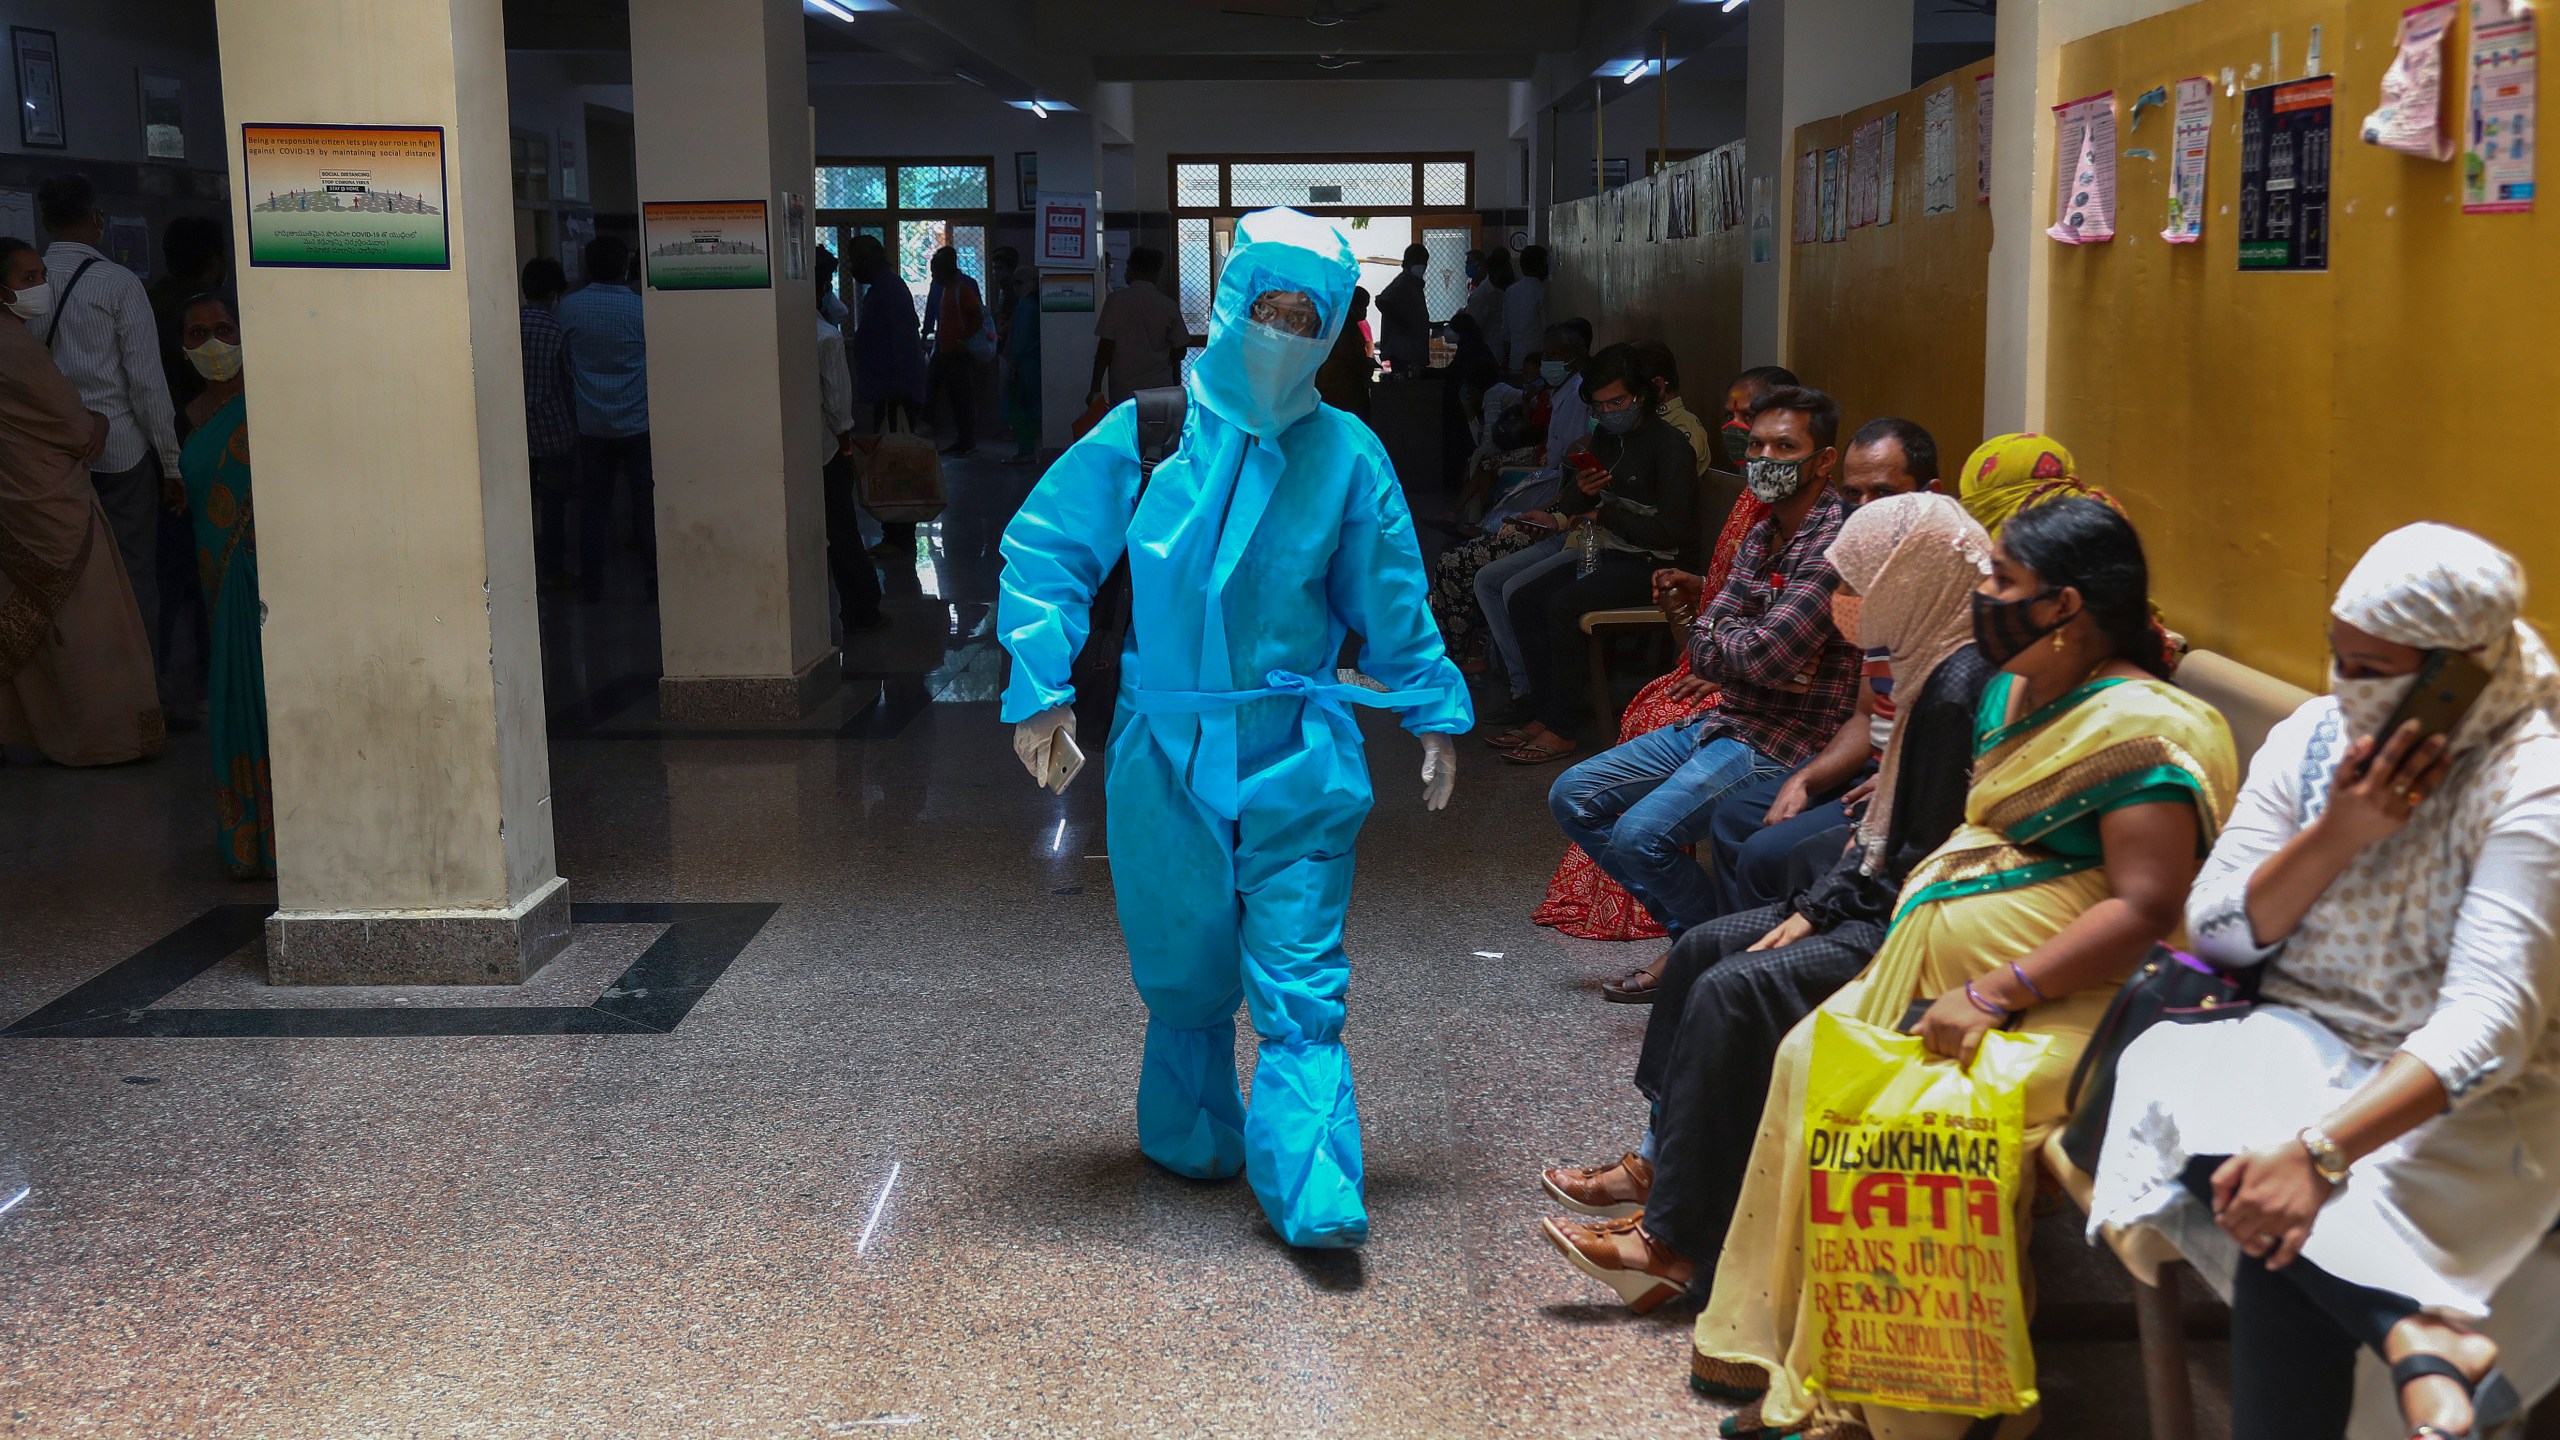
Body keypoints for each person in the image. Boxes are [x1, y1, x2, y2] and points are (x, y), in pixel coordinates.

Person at [1690, 497, 2239, 1440]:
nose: (1982, 595)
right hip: (1954, 981)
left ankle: (1922, 1404)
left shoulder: (2148, 726)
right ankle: (1807, 1356)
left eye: (2001, 581)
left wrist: (1993, 991)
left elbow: (2145, 910)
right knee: (1809, 1060)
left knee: (1909, 1119)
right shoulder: (2004, 688)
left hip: (2089, 1008)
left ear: (2063, 606)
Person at [995, 208, 1470, 1249]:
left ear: (1337, 327)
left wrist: (1430, 705)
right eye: (1269, 309)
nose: (1283, 334)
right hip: (1164, 751)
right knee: (1182, 960)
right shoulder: (1150, 429)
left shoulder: (1347, 455)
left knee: (1300, 972)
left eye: (1310, 317)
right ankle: (1192, 1128)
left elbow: (1391, 594)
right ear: (1233, 304)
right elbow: (1047, 550)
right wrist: (1039, 685)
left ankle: (1312, 1183)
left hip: (1296, 749)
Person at [2091, 524, 2560, 1440]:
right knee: (2164, 1077)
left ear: (2457, 670)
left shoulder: (2531, 783)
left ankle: (2414, 1335)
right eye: (2338, 658)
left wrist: (2318, 1152)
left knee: (2278, 1204)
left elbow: (2491, 1022)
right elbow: (2218, 937)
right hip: (2301, 1046)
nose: (2346, 687)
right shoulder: (2315, 741)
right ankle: (2415, 1333)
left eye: (2373, 667)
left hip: (2464, 1101)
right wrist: (2340, 832)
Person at [1538, 492, 1999, 1309]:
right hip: (1886, 885)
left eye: (1861, 581)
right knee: (1704, 948)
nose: (1845, 602)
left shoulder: (1959, 686)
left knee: (1732, 977)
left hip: (1922, 919)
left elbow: (1920, 855)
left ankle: (1670, 1243)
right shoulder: (1919, 653)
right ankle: (1660, 1166)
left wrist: (1819, 909)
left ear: (1912, 576)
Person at [1539, 385, 1863, 944]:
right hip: (1727, 720)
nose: (1764, 459)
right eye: (1757, 446)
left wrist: (1728, 639)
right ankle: (1709, 937)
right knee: (1573, 795)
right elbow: (1714, 636)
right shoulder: (1762, 531)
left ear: (1824, 459)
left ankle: (1706, 945)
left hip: (1782, 740)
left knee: (1641, 835)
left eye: (1785, 447)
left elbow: (1762, 654)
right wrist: (1733, 639)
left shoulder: (1838, 540)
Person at [1695, 416, 1943, 921]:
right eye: (1854, 495)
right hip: (1872, 759)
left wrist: (1905, 776)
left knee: (1773, 851)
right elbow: (1865, 714)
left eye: (1885, 493)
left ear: (1930, 493)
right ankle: (1727, 949)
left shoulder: (1952, 579)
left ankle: (1775, 961)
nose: (1866, 511)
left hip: (1929, 772)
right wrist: (1807, 779)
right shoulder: (1862, 576)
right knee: (1734, 818)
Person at [1487, 345, 1701, 767]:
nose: (1609, 413)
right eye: (1599, 406)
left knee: (1563, 604)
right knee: (1522, 597)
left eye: (1617, 402)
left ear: (1642, 395)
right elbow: (1583, 493)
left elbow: (1671, 532)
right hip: (1613, 549)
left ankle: (1564, 728)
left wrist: (1603, 511)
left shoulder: (1671, 446)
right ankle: (1544, 711)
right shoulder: (1608, 437)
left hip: (1657, 563)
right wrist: (1565, 508)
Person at [0, 235, 163, 766]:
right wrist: (96, 420)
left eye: (40, 275)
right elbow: (76, 428)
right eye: (28, 280)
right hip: (56, 502)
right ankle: (104, 737)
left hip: (19, 497)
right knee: (92, 620)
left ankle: (50, 730)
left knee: (43, 621)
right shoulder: (15, 346)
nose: (41, 288)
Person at [37, 175, 185, 711]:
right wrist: (172, 463)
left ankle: (75, 700)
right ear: (96, 219)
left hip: (55, 460)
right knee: (132, 575)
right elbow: (146, 384)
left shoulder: (26, 285)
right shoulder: (119, 285)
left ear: (46, 220)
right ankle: (139, 698)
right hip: (121, 454)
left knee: (69, 577)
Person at [171, 294, 273, 878]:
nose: (212, 342)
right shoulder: (190, 415)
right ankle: (247, 835)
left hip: (269, 577)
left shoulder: (267, 404)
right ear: (182, 347)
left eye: (224, 329)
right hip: (219, 581)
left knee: (270, 692)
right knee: (233, 688)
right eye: (197, 333)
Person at [556, 235, 655, 603]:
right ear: (626, 266)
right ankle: (655, 587)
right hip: (638, 423)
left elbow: (563, 358)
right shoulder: (642, 310)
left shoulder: (570, 308)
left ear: (588, 267)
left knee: (593, 511)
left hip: (592, 425)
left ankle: (592, 586)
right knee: (647, 509)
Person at [817, 273, 884, 637]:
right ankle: (862, 608)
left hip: (791, 452)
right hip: (827, 451)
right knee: (842, 529)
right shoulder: (826, 337)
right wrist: (847, 446)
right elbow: (839, 408)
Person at [518, 257, 577, 590]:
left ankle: (520, 567)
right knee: (555, 505)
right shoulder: (556, 330)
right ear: (554, 293)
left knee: (520, 502)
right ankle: (553, 568)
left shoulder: (507, 324)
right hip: (553, 430)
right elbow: (567, 382)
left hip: (516, 431)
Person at [1088, 246, 1187, 408]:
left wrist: (1095, 387)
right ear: (1156, 273)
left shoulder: (1115, 301)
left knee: (1128, 431)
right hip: (1160, 389)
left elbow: (1105, 347)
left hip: (1124, 390)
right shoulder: (1168, 305)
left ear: (1132, 270)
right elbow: (1181, 351)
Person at [926, 246, 984, 458]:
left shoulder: (962, 289)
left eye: (934, 272)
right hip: (948, 352)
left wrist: (961, 339)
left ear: (943, 271)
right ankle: (962, 439)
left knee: (963, 398)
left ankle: (967, 440)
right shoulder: (947, 290)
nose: (932, 276)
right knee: (956, 397)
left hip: (958, 354)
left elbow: (978, 317)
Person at [999, 263, 1042, 465]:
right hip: (1031, 364)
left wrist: (1013, 362)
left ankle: (1026, 450)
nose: (1015, 287)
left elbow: (1020, 338)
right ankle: (1028, 449)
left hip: (1024, 365)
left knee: (1021, 409)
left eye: (1018, 283)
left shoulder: (1026, 306)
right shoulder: (1032, 305)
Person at [1313, 287, 1374, 421]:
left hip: (1332, 387)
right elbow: (1350, 357)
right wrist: (1366, 367)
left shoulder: (1336, 321)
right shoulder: (1346, 328)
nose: (1364, 311)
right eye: (1363, 306)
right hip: (1341, 389)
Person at [1375, 242, 1431, 376]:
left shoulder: (1414, 284)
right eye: (1418, 261)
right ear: (1409, 262)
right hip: (1403, 352)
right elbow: (1381, 301)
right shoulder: (1404, 281)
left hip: (1411, 350)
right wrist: (1401, 322)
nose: (1422, 265)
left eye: (1424, 262)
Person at [1502, 244, 1550, 385]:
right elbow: (1546, 326)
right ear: (1542, 266)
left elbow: (1505, 330)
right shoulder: (1541, 291)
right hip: (1537, 360)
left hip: (1515, 359)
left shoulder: (1511, 291)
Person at [1464, 247, 1512, 368]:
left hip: (1510, 351)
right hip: (1490, 354)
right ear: (1492, 272)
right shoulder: (1482, 296)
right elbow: (1472, 329)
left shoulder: (1511, 288)